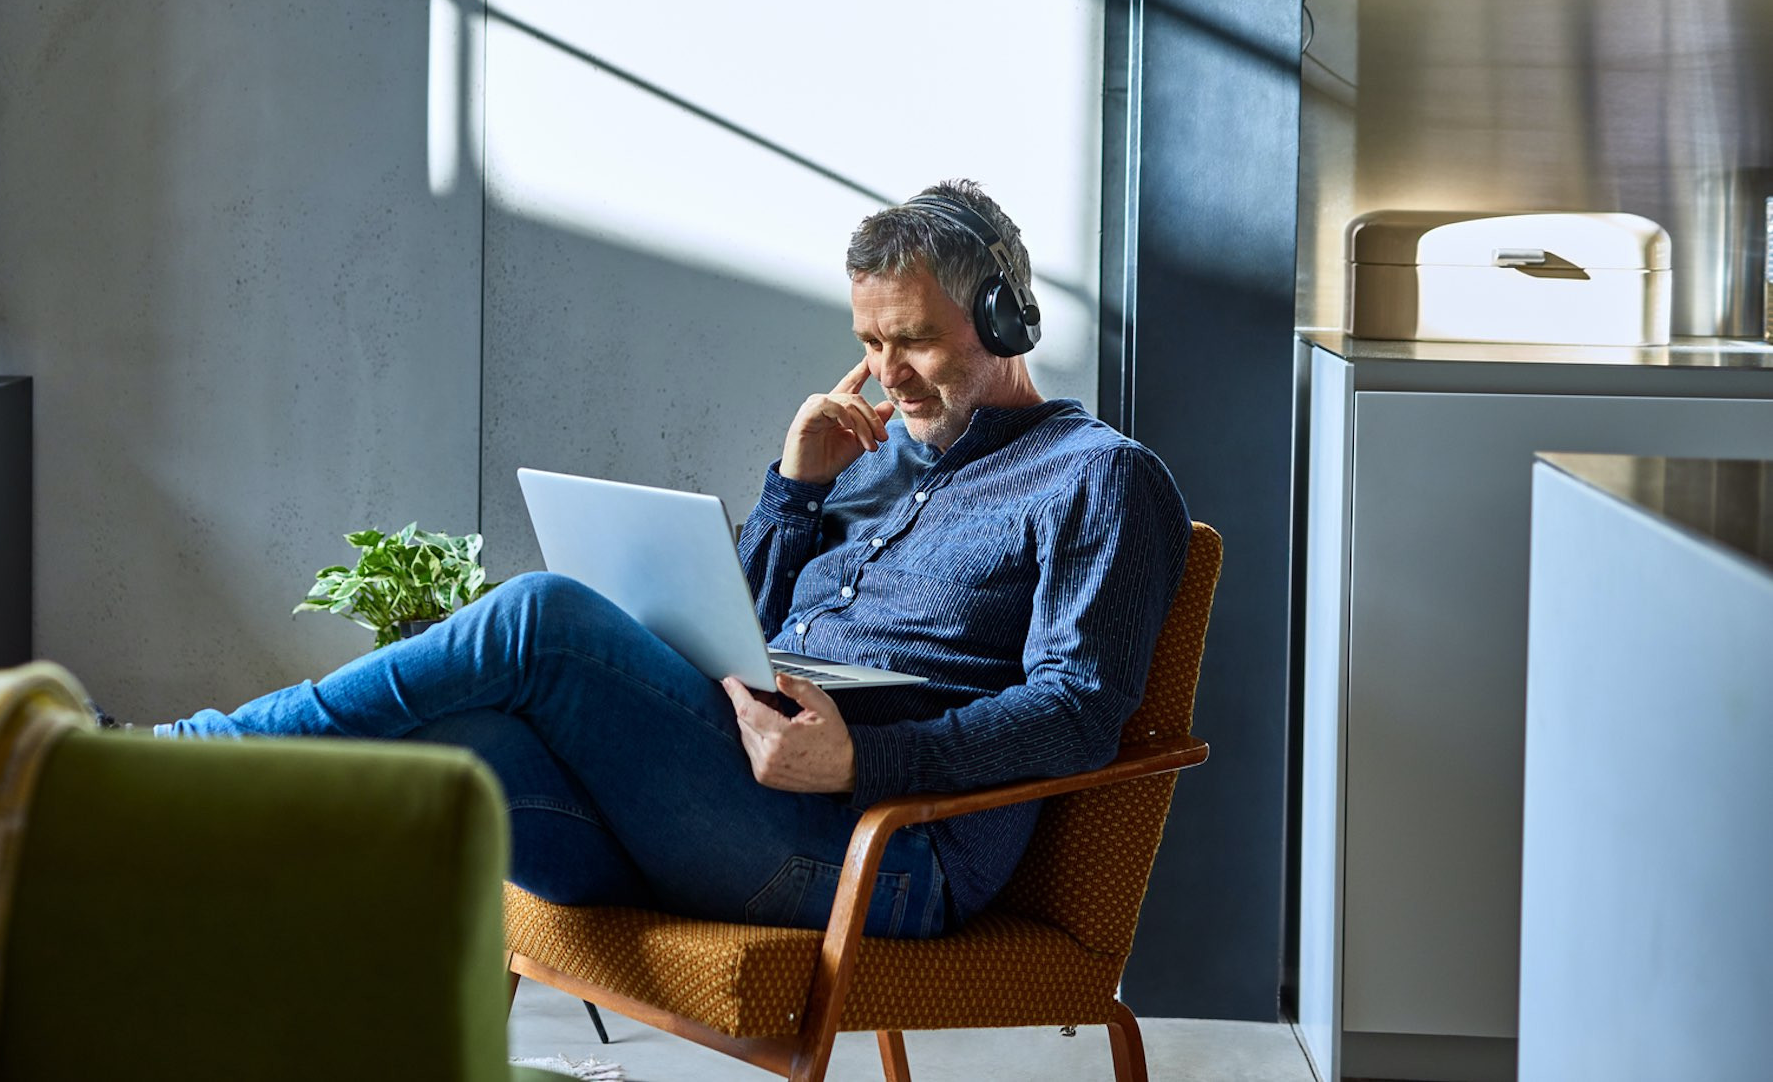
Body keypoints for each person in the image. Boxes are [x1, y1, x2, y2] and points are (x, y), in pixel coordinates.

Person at [157, 180, 1190, 939]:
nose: (888, 376)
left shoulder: (1097, 477)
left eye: (914, 340)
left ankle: (182, 763)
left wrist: (860, 762)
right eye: (870, 344)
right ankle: (182, 876)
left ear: (1004, 318)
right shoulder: (866, 458)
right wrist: (795, 492)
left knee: (541, 618)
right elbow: (735, 632)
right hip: (729, 803)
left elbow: (1077, 711)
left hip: (883, 857)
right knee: (465, 741)